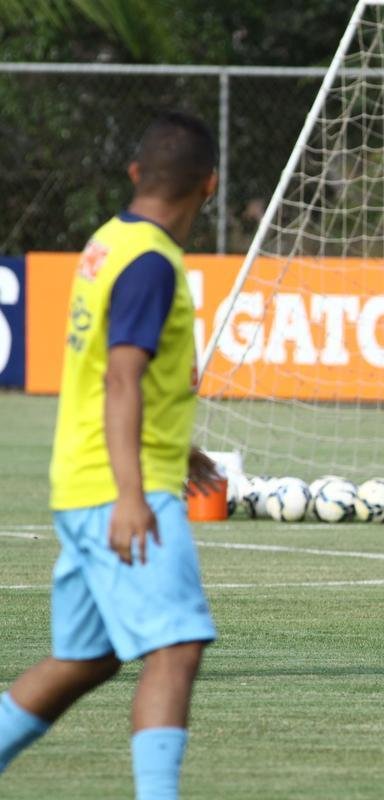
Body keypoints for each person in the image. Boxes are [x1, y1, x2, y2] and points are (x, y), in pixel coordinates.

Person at [0, 111, 222, 798]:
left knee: (86, 657)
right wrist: (133, 493)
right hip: (121, 489)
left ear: (134, 174)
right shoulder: (154, 262)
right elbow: (122, 375)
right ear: (209, 187)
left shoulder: (108, 241)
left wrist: (180, 450)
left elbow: (112, 372)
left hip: (84, 478)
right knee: (176, 646)